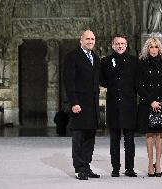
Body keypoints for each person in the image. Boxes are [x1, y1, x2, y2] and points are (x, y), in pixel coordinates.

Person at [63, 29, 100, 180]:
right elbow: (69, 81)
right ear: (81, 40)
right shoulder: (72, 56)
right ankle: (79, 169)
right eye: (87, 39)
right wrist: (74, 102)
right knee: (79, 137)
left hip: (92, 105)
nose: (90, 41)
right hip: (79, 104)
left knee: (90, 137)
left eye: (92, 39)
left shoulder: (96, 58)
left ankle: (86, 166)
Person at [100, 34, 138, 177]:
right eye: (117, 43)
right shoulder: (105, 61)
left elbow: (137, 82)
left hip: (129, 105)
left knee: (130, 140)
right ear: (112, 45)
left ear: (126, 45)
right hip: (113, 105)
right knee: (114, 140)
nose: (120, 46)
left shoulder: (134, 61)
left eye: (122, 43)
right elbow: (102, 80)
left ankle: (130, 168)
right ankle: (115, 168)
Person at [137, 37, 162, 177]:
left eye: (156, 47)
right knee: (149, 134)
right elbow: (139, 85)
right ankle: (150, 163)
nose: (153, 49)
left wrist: (161, 101)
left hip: (161, 103)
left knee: (159, 134)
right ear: (147, 48)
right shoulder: (141, 64)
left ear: (159, 48)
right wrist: (151, 101)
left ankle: (158, 163)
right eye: (151, 47)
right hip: (147, 103)